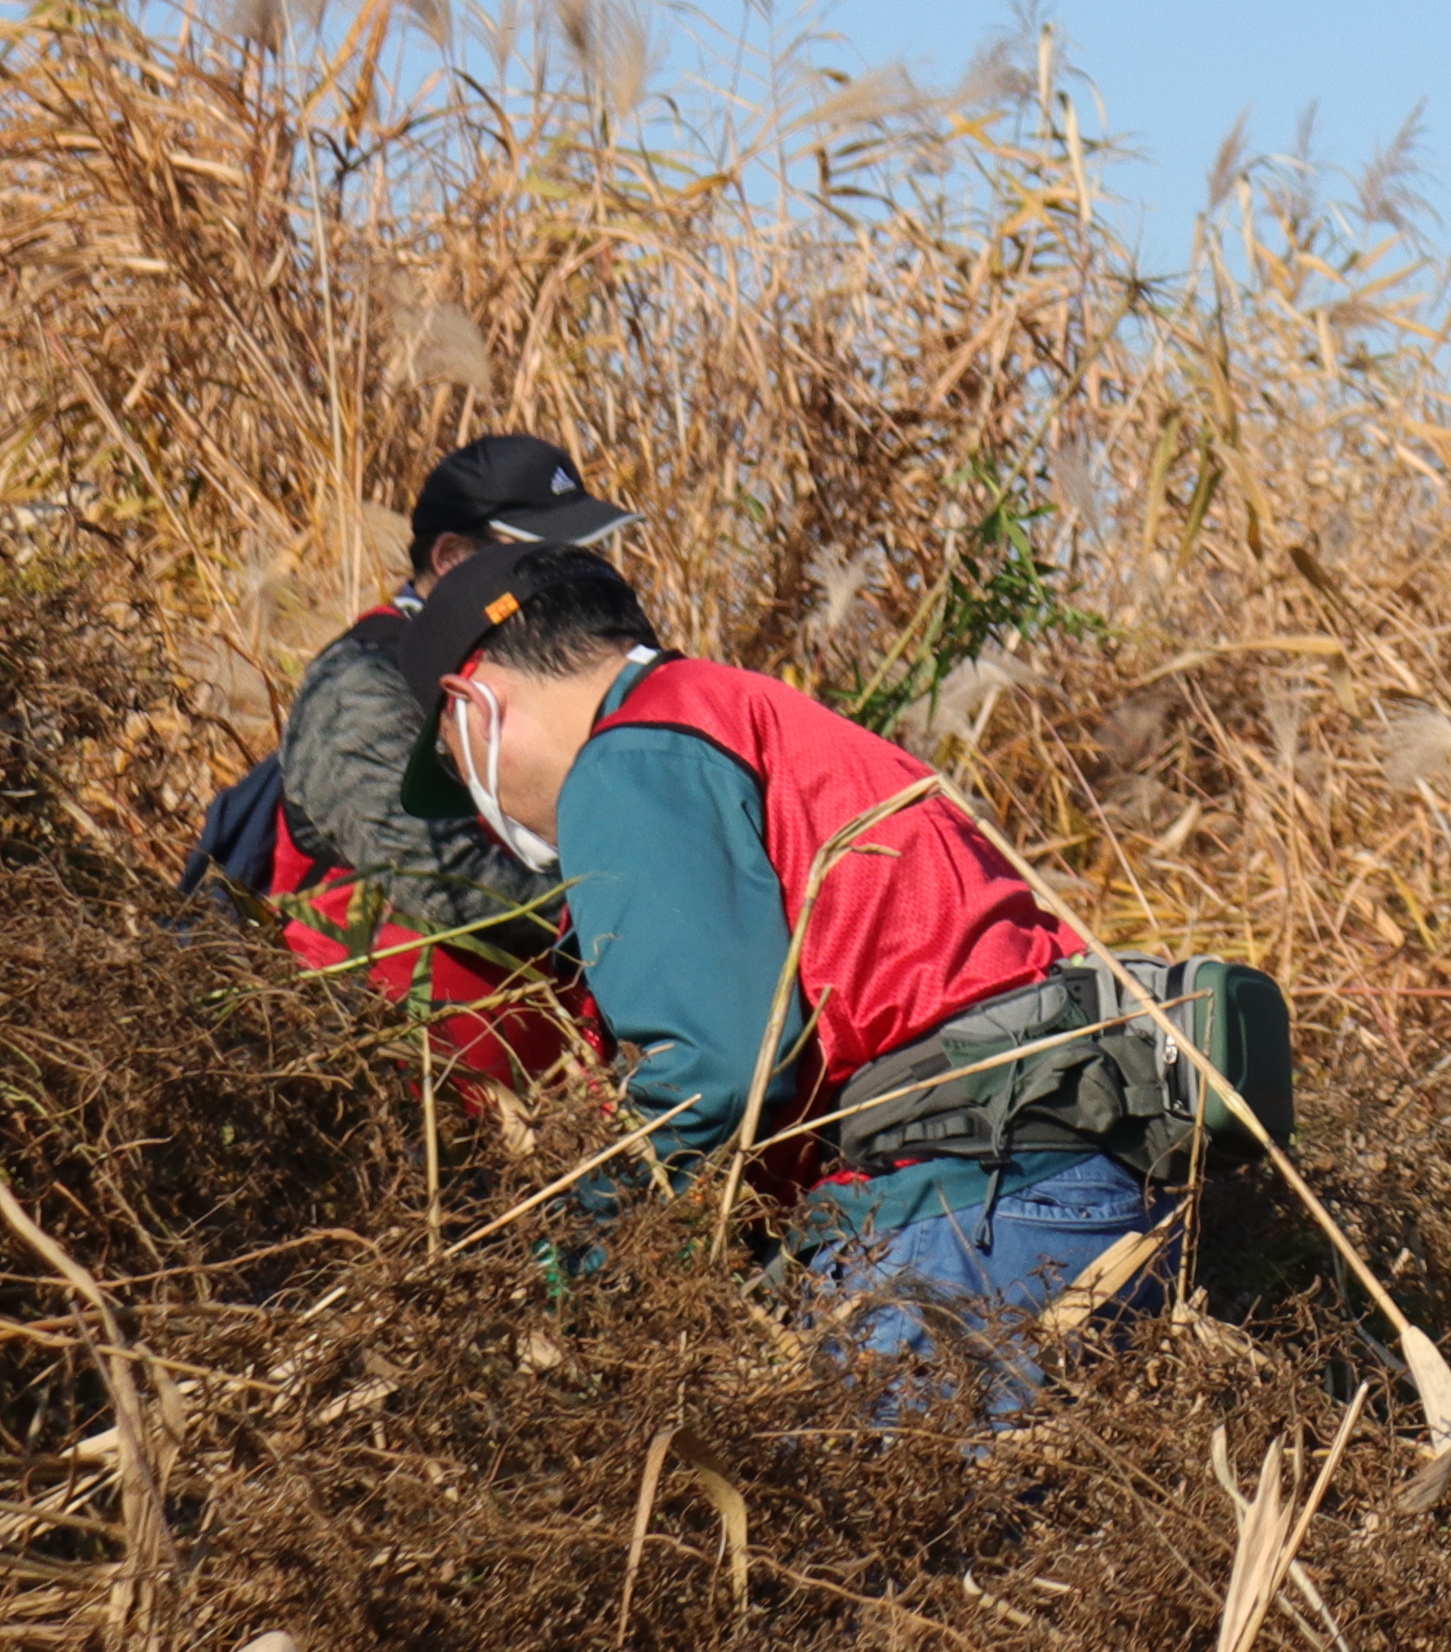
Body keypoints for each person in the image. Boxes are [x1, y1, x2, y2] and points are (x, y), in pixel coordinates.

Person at [422, 547, 1171, 1416]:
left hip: (964, 1213)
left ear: (471, 703)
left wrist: (583, 1251)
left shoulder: (629, 760)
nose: (485, 813)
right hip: (1086, 1186)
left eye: (453, 765)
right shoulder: (746, 717)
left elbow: (713, 1071)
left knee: (900, 1546)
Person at [207, 435, 628, 1094]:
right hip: (375, 1094)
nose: (568, 577)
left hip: (519, 1109)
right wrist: (627, 922)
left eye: (578, 554)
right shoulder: (364, 685)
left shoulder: (543, 676)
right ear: (452, 558)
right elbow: (441, 880)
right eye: (538, 557)